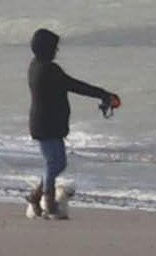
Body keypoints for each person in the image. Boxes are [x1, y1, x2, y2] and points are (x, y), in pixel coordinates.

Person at [22, 28, 120, 218]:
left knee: (54, 163)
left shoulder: (35, 65)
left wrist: (104, 94)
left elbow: (69, 85)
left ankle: (36, 196)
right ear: (47, 49)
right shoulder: (49, 70)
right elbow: (75, 86)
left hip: (43, 123)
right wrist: (104, 94)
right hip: (47, 125)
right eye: (54, 47)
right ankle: (49, 204)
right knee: (56, 163)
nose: (57, 51)